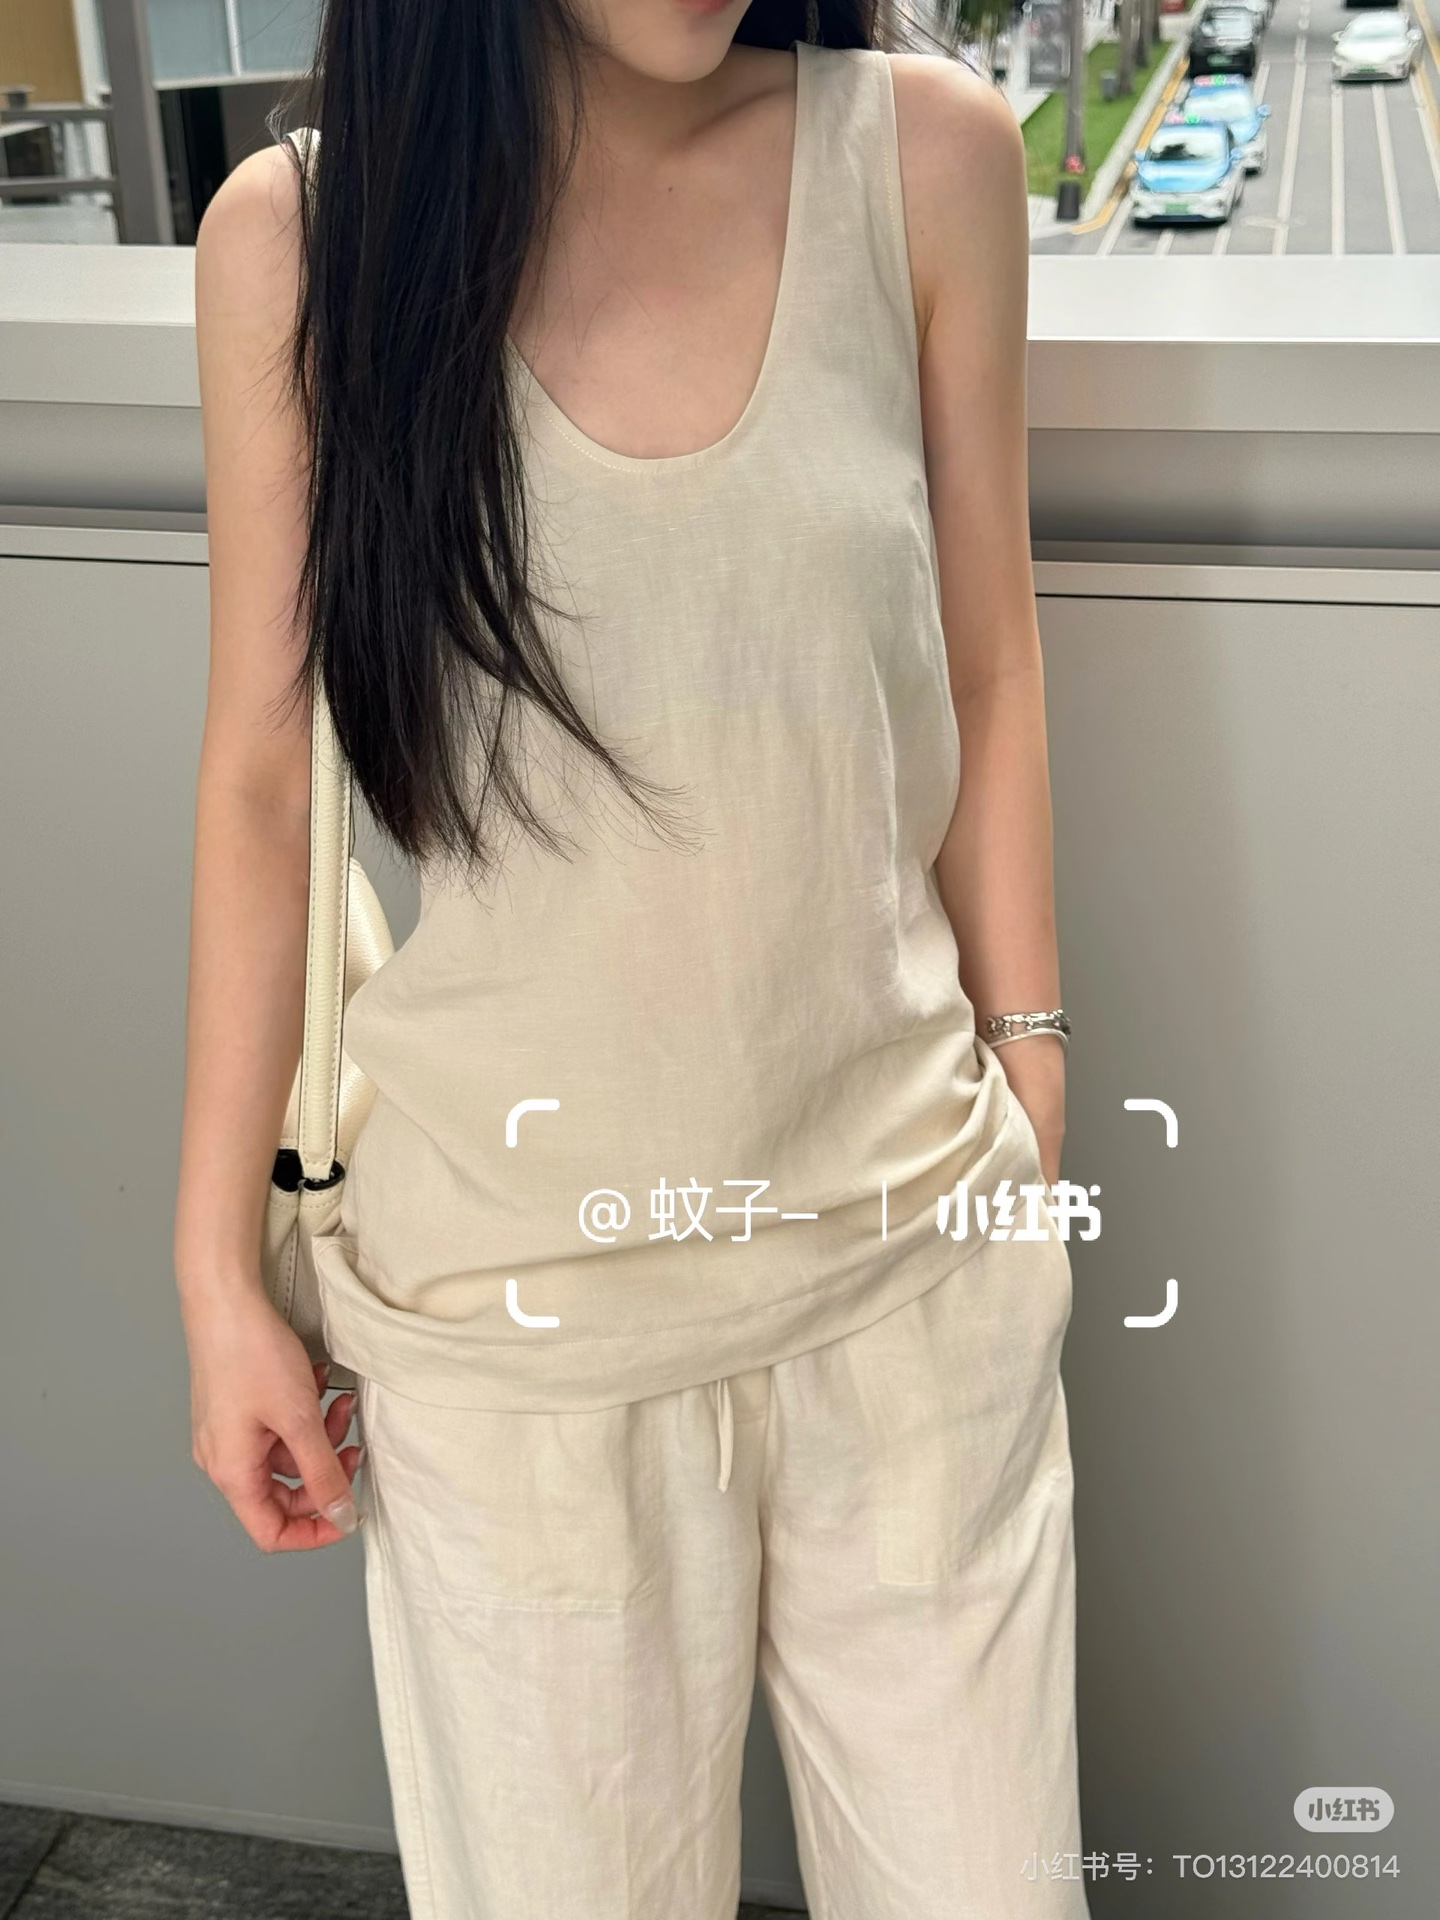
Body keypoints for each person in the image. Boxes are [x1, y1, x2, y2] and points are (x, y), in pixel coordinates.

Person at [174, 1, 1089, 1914]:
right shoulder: (302, 242)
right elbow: (264, 784)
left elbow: (990, 661)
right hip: (514, 1350)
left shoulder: (926, 157)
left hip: (914, 1279)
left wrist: (1032, 1074)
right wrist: (212, 1269)